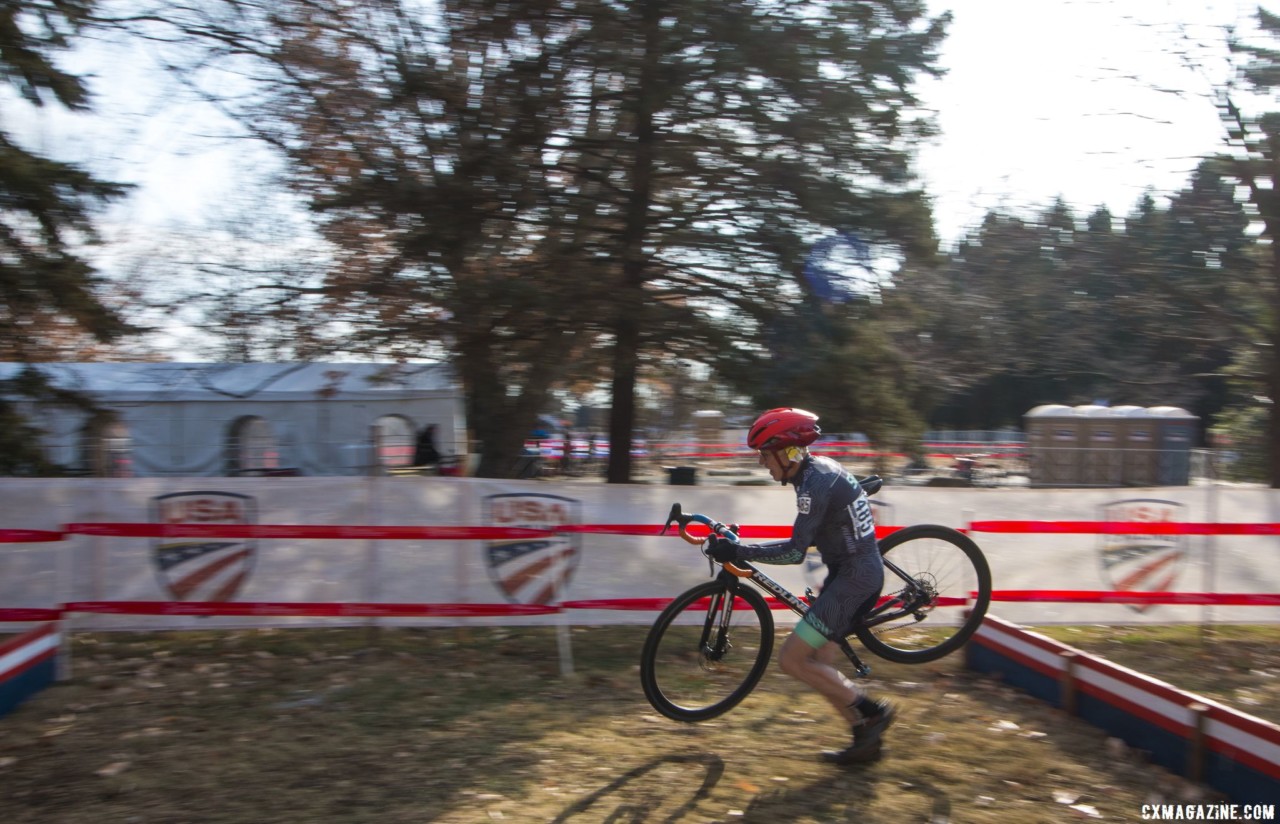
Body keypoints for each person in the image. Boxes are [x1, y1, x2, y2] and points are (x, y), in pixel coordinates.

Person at [705, 407, 896, 765]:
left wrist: (739, 550)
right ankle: (865, 741)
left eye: (764, 454)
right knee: (821, 663)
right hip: (847, 573)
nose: (762, 463)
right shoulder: (814, 470)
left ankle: (874, 711)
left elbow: (794, 553)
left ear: (788, 452)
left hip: (855, 580)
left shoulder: (814, 483)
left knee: (793, 660)